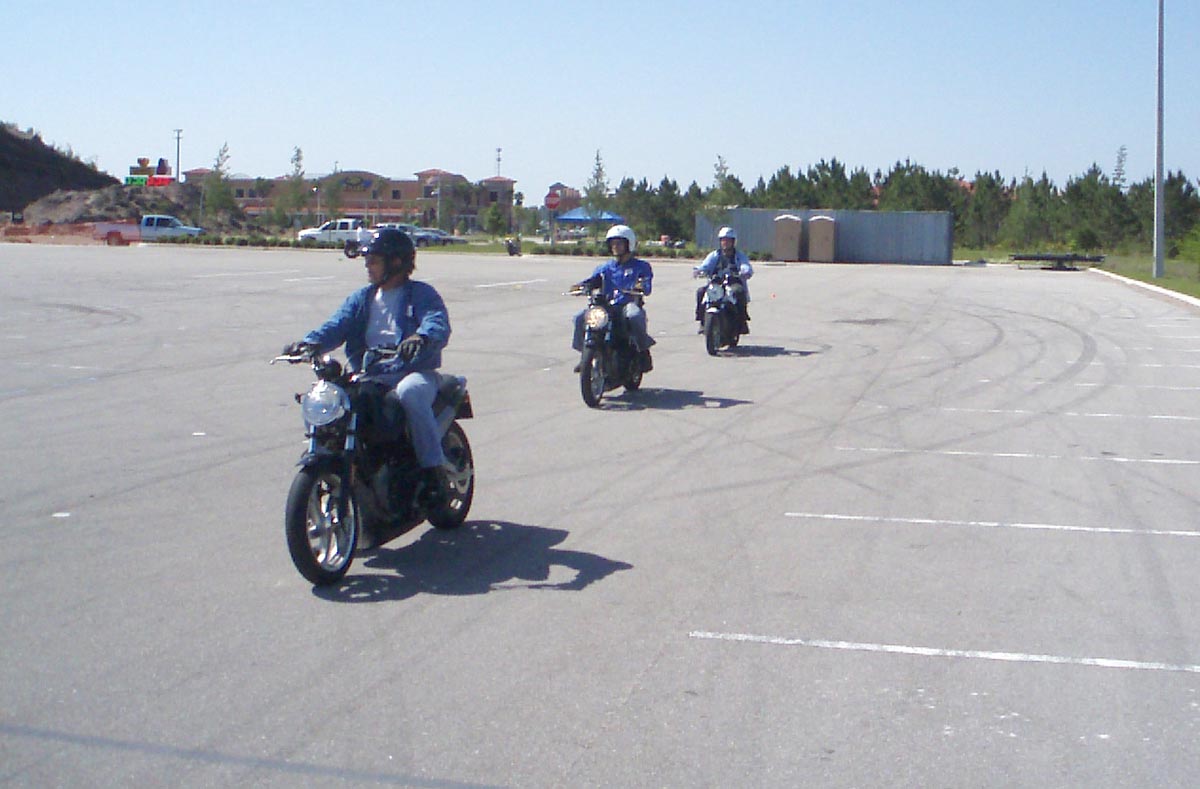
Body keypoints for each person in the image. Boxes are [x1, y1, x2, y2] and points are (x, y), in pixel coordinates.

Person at [282, 227, 451, 505]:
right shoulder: (362, 298)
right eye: (367, 261)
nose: (368, 266)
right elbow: (336, 325)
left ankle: (433, 470)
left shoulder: (421, 294)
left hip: (413, 372)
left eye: (374, 261)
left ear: (396, 262)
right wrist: (309, 344)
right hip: (371, 374)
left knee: (410, 393)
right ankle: (336, 459)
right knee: (326, 397)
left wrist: (420, 338)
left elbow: (436, 321)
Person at [571, 224, 655, 372]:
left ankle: (643, 352)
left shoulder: (641, 266)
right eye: (612, 244)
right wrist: (581, 286)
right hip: (606, 306)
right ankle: (585, 355)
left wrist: (640, 287)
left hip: (627, 304)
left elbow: (645, 284)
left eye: (619, 243)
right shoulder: (605, 267)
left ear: (629, 244)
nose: (615, 247)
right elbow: (593, 280)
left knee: (634, 316)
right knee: (579, 318)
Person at [694, 226, 753, 333]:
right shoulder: (715, 255)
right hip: (716, 283)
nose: (725, 243)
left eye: (728, 240)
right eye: (723, 240)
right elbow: (705, 265)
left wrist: (745, 271)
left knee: (739, 292)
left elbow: (745, 265)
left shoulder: (739, 256)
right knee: (701, 291)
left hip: (733, 282)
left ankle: (742, 321)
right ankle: (702, 321)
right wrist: (699, 270)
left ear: (733, 242)